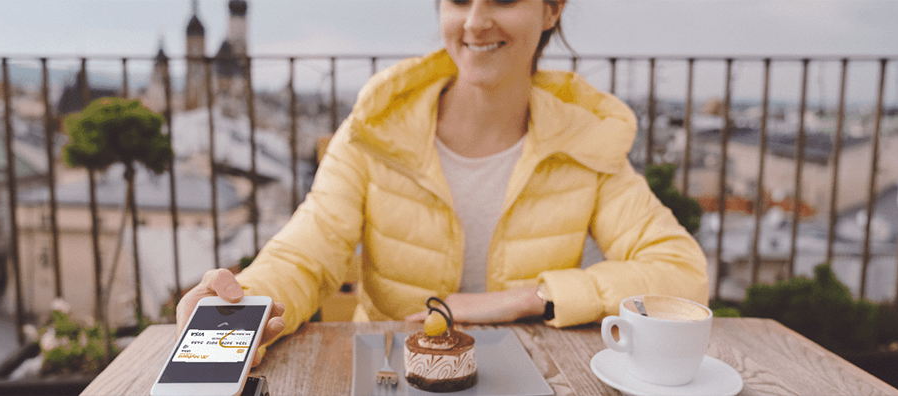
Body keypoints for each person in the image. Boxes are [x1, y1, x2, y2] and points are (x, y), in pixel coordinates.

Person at [177, 0, 708, 368]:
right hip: (391, 373)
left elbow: (680, 272)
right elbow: (305, 255)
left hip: (534, 375)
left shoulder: (584, 140)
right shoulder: (375, 131)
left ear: (552, 9)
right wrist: (240, 302)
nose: (476, 21)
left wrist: (529, 298)